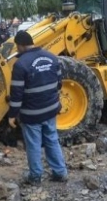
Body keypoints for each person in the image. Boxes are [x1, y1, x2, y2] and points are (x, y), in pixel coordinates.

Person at [7, 30, 68, 185]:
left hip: (31, 113)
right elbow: (59, 83)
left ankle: (35, 176)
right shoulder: (52, 58)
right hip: (51, 109)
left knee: (33, 144)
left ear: (19, 45)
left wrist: (12, 115)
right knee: (52, 140)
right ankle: (60, 172)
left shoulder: (20, 65)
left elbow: (16, 94)